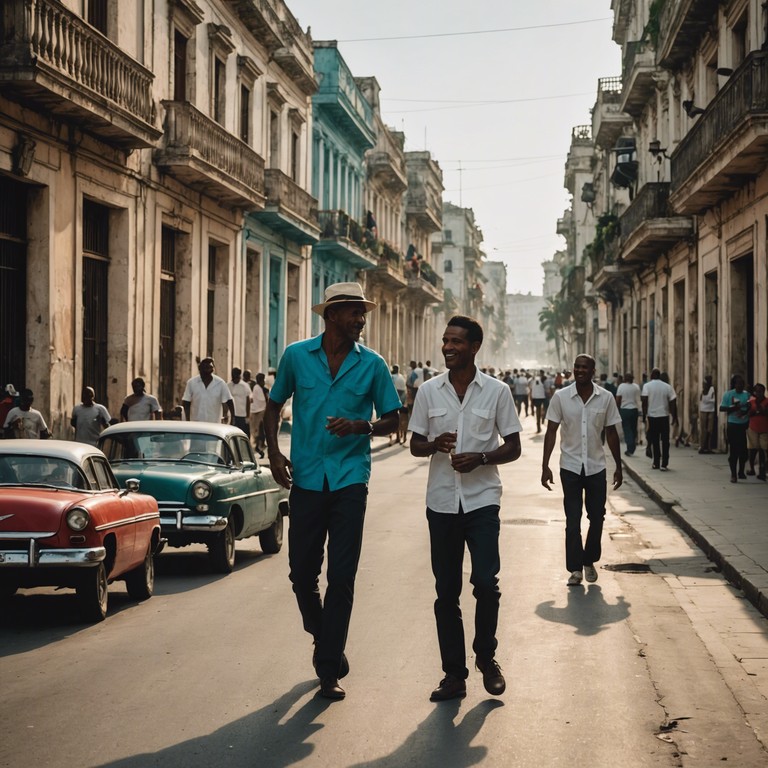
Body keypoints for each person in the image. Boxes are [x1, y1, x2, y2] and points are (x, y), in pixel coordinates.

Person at [263, 282, 400, 701]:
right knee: (302, 573)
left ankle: (327, 669)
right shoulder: (296, 357)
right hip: (305, 478)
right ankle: (325, 638)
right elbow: (273, 406)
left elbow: (394, 418)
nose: (362, 320)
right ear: (332, 315)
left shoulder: (372, 365)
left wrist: (362, 426)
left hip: (350, 481)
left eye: (364, 313)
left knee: (341, 576)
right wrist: (273, 453)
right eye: (355, 312)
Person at [409, 316, 522, 702]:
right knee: (446, 592)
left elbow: (514, 446)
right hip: (441, 503)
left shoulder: (497, 391)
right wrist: (433, 444)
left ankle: (487, 659)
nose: (447, 347)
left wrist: (482, 457)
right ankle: (453, 675)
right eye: (445, 341)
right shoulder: (428, 392)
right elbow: (415, 446)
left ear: (474, 346)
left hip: (482, 501)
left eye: (456, 341)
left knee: (487, 584)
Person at [541, 354, 623, 587]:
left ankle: (589, 560)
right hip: (570, 466)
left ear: (593, 371)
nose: (579, 370)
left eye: (584, 367)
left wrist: (619, 465)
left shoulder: (605, 398)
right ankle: (575, 568)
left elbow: (611, 433)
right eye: (576, 367)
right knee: (573, 519)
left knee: (597, 517)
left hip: (596, 466)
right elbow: (551, 431)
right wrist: (545, 464)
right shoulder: (561, 397)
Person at [641, 368, 678, 471]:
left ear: (652, 375)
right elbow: (673, 401)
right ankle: (664, 463)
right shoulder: (667, 387)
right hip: (664, 416)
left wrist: (644, 416)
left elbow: (644, 401)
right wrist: (674, 416)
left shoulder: (647, 386)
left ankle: (656, 462)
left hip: (652, 417)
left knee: (655, 440)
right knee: (665, 441)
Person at [182, 357, 235, 424]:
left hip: (214, 425)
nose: (207, 371)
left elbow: (229, 401)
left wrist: (232, 418)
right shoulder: (191, 383)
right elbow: (186, 402)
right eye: (204, 368)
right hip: (196, 424)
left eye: (209, 368)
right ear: (200, 369)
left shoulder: (220, 383)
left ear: (212, 370)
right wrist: (187, 420)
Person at [719, 374, 750, 483]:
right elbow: (721, 408)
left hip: (744, 425)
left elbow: (749, 407)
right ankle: (733, 474)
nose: (740, 385)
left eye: (742, 384)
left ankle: (741, 471)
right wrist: (733, 408)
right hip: (733, 425)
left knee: (744, 451)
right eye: (738, 383)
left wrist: (745, 411)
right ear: (734, 384)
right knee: (734, 450)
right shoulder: (728, 394)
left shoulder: (747, 395)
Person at [616, 372, 642, 456]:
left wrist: (617, 410)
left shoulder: (621, 387)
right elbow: (638, 399)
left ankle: (630, 448)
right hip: (634, 410)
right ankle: (632, 446)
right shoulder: (636, 387)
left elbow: (618, 399)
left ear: (624, 379)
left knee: (627, 429)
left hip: (624, 410)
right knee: (633, 429)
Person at [746, 383, 768, 480]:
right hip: (753, 427)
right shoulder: (751, 401)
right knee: (753, 449)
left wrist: (762, 410)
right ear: (754, 392)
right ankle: (752, 468)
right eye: (757, 391)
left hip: (764, 428)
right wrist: (755, 411)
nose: (759, 393)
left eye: (761, 391)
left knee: (763, 449)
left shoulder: (767, 402)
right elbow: (748, 413)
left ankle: (762, 470)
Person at [227, 367, 252, 436]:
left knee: (243, 434)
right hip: (232, 415)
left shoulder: (245, 386)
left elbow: (248, 401)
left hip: (242, 415)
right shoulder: (228, 385)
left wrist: (247, 416)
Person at [249, 372, 269, 458]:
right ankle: (258, 449)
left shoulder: (264, 389)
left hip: (262, 412)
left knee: (262, 432)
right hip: (257, 413)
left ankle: (259, 449)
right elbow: (261, 400)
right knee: (256, 433)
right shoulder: (256, 388)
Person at [698, 375, 716, 454]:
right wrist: (707, 399)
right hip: (703, 410)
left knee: (710, 429)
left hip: (711, 410)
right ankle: (702, 446)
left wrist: (706, 399)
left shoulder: (712, 389)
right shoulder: (702, 390)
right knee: (703, 430)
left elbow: (712, 400)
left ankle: (709, 447)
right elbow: (702, 399)